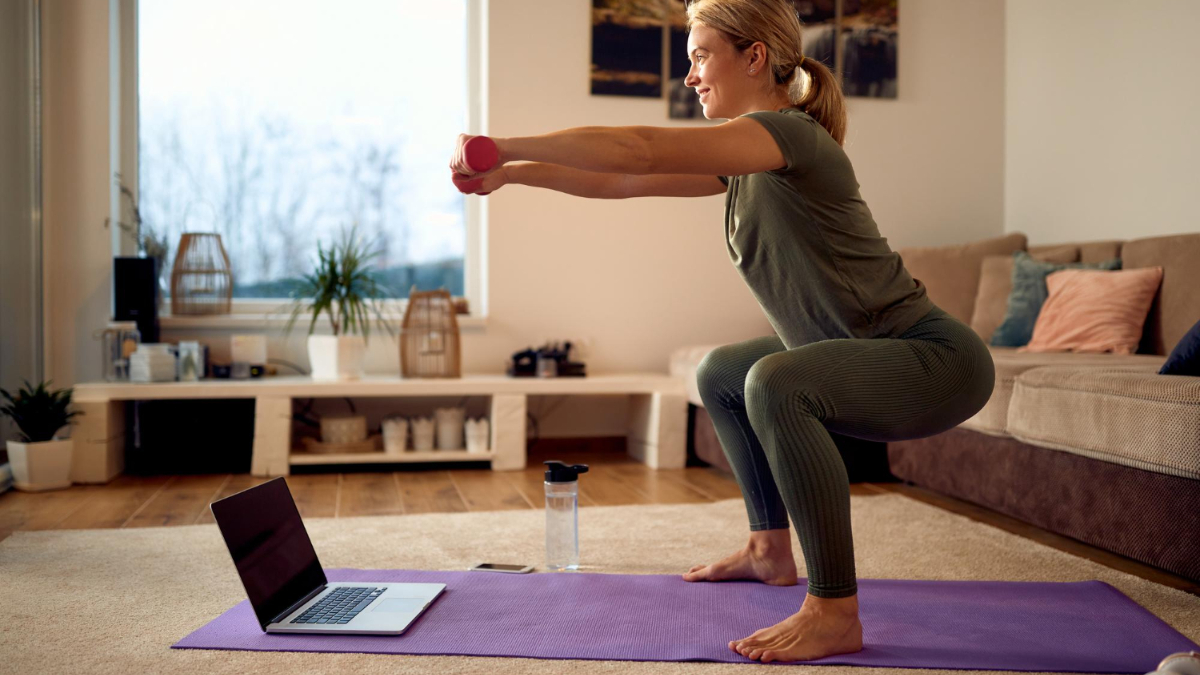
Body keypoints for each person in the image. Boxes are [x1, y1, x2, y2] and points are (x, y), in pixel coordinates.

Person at [450, 0, 995, 663]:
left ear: (754, 57)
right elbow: (624, 177)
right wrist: (511, 175)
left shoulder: (788, 134)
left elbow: (638, 147)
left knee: (775, 381)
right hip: (866, 350)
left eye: (701, 56)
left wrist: (507, 143)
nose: (691, 78)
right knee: (722, 372)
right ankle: (769, 548)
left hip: (933, 359)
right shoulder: (744, 159)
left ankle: (834, 609)